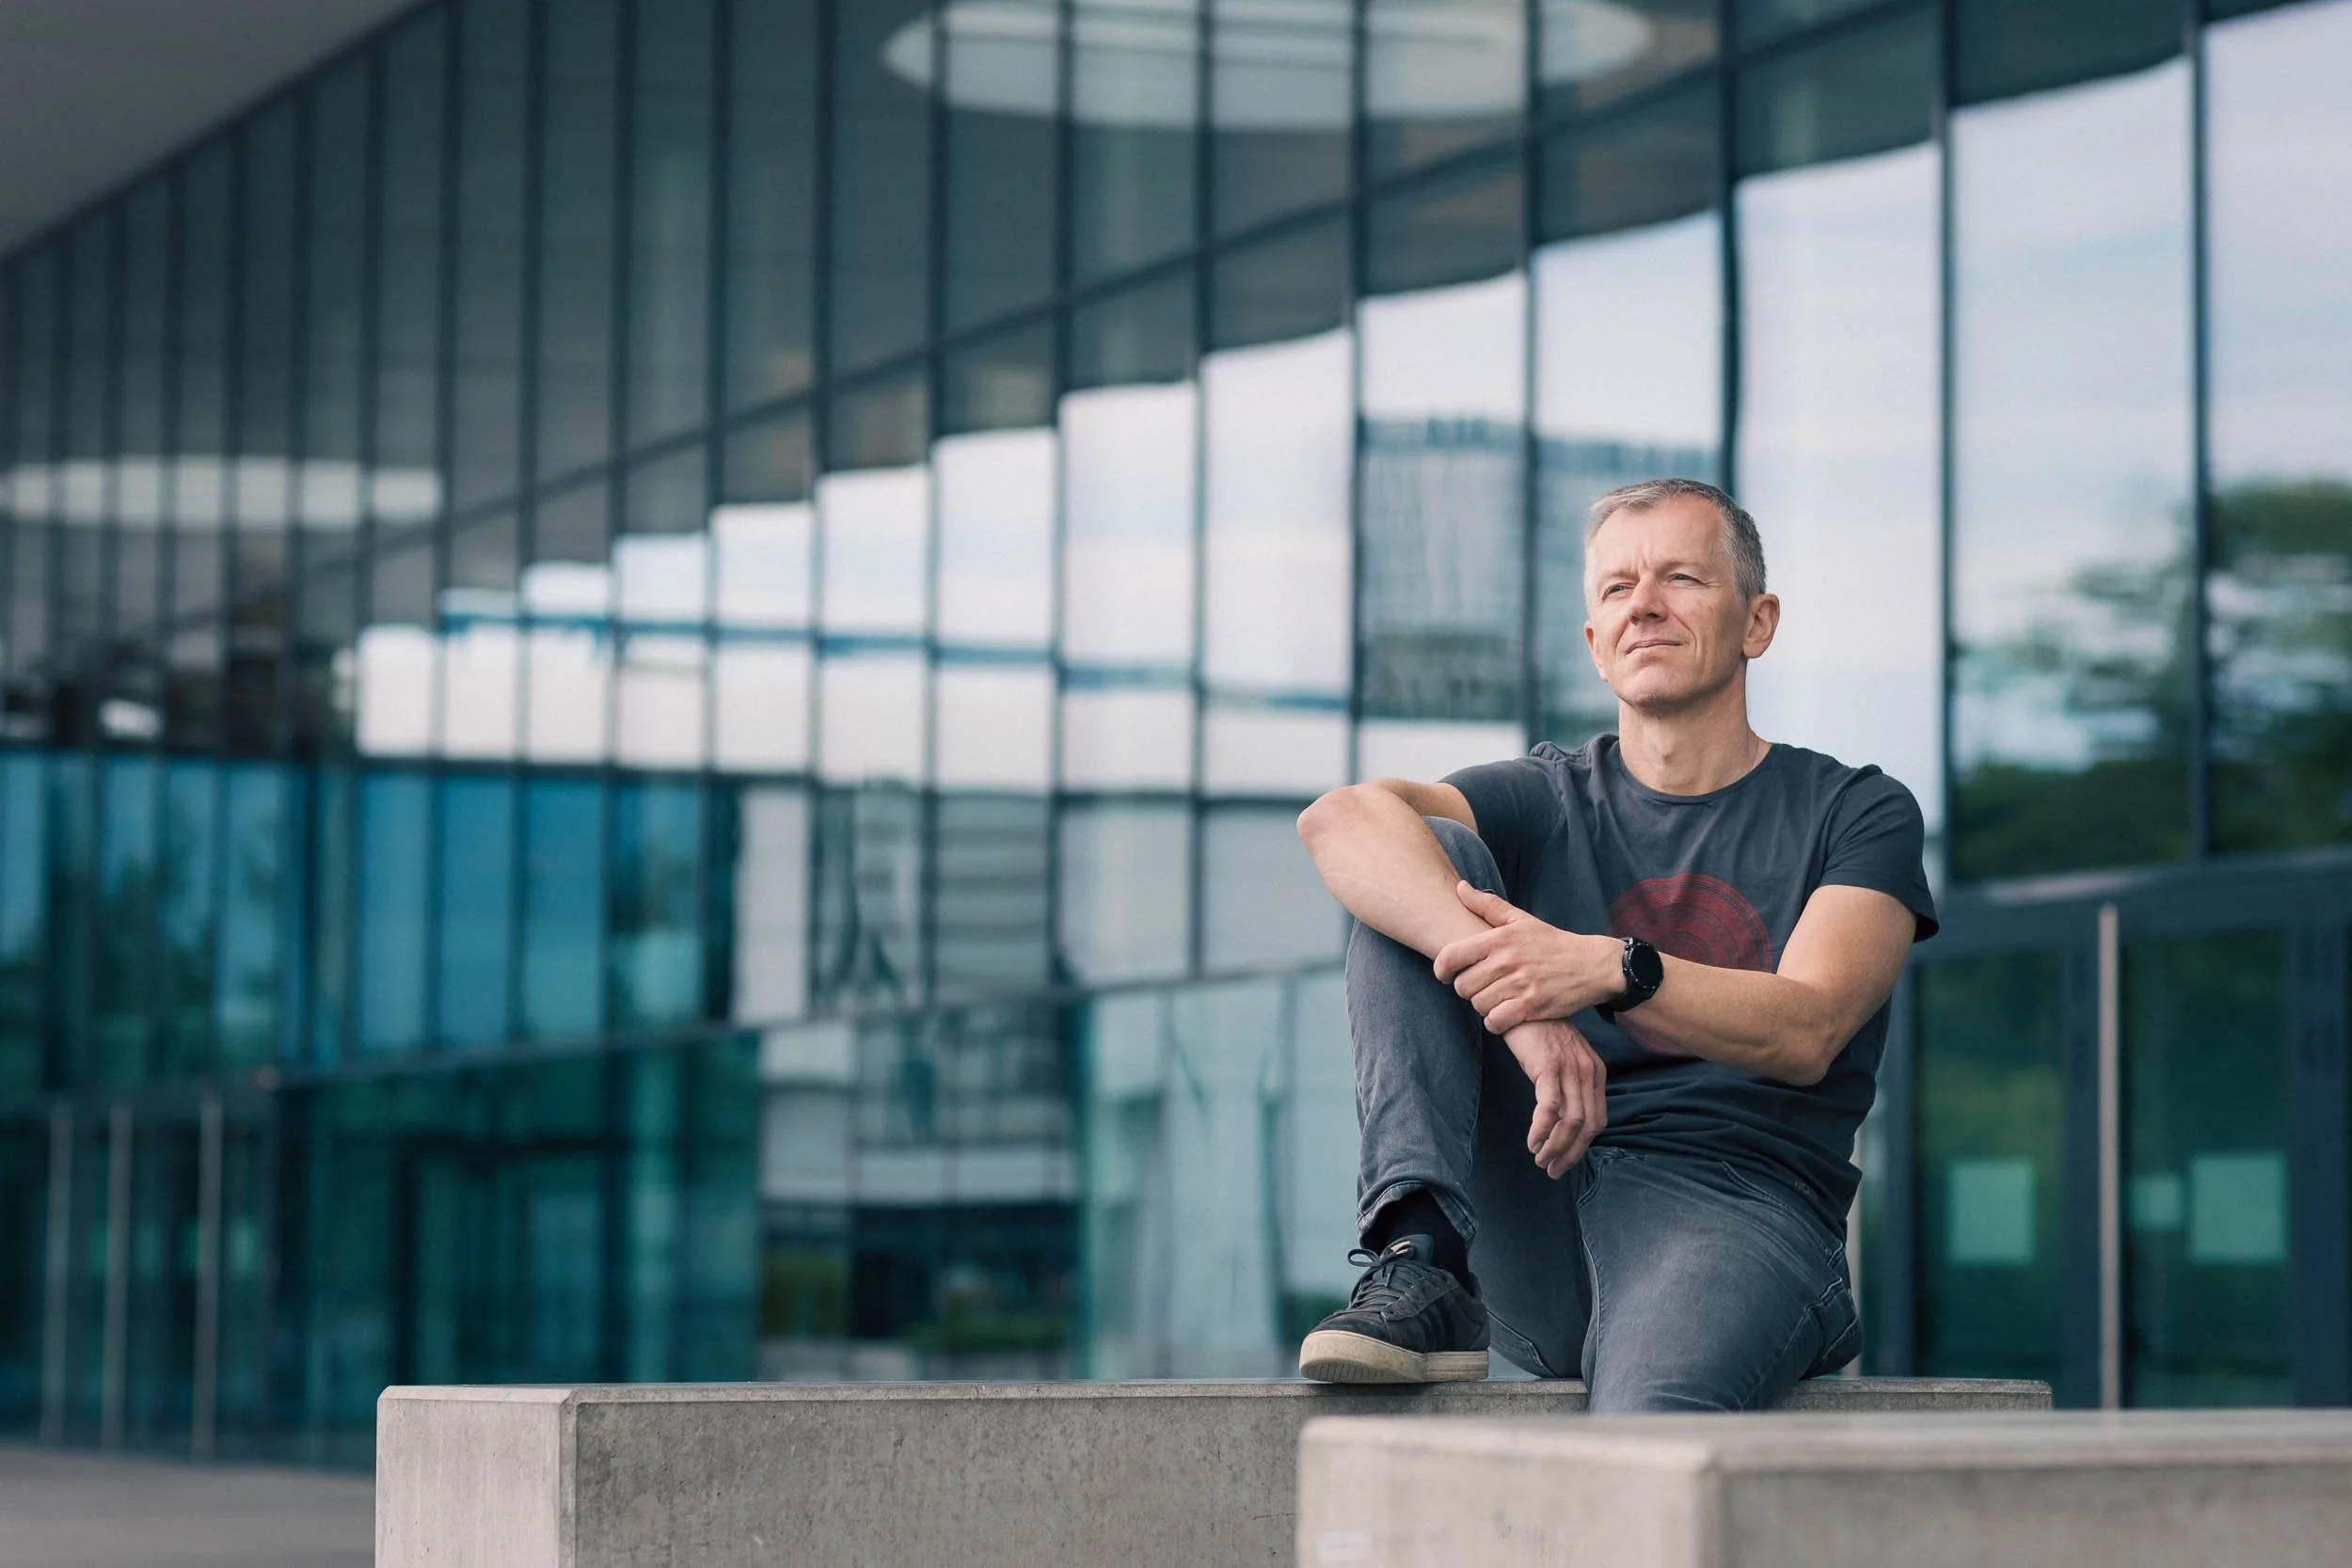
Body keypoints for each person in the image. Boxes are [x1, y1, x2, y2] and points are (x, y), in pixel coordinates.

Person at [1294, 477, 1936, 1411]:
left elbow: (1807, 1025)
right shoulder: (1544, 795)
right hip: (1542, 1184)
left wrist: (1605, 968)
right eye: (1616, 588)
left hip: (1733, 1204)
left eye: (1681, 577)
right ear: (1596, 645)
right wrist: (1525, 1012)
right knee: (1420, 854)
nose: (1644, 604)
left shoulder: (1854, 809)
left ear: (1756, 621)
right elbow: (1340, 819)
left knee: (1644, 1430)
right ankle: (1418, 1252)